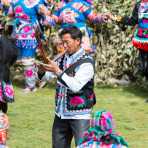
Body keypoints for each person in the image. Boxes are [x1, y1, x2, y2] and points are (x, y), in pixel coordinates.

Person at [41, 26, 96, 148]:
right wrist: (41, 69)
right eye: (63, 42)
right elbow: (46, 77)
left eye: (67, 42)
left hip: (80, 116)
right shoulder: (61, 58)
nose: (64, 46)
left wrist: (58, 71)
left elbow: (75, 86)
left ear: (77, 41)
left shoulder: (87, 63)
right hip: (60, 115)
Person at [7, 0, 49, 92]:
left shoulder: (18, 2)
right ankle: (40, 78)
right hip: (21, 35)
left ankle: (31, 86)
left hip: (29, 36)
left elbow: (10, 14)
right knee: (25, 61)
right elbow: (46, 14)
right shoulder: (35, 2)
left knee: (27, 61)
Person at [41, 0, 111, 53]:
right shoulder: (60, 5)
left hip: (79, 30)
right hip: (64, 32)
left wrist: (102, 17)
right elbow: (56, 19)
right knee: (62, 51)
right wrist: (48, 19)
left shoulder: (81, 4)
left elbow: (93, 17)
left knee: (84, 50)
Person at [119, 0, 148, 78]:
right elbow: (133, 20)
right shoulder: (139, 4)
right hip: (143, 40)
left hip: (143, 40)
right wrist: (122, 19)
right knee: (144, 69)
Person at [0, 35, 18, 113]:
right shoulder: (8, 40)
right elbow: (15, 54)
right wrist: (8, 64)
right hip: (5, 70)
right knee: (4, 97)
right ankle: (4, 114)